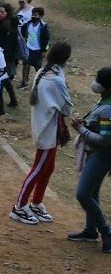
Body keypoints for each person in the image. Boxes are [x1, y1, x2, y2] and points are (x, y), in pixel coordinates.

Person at [9, 42, 73, 225]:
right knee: (38, 169)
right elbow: (67, 108)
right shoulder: (56, 80)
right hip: (47, 130)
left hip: (45, 127)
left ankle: (36, 203)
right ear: (65, 59)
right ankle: (19, 207)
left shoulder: (42, 72)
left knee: (48, 167)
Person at [68, 66, 111, 251]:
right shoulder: (104, 102)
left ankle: (106, 232)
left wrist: (81, 130)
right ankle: (90, 231)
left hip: (100, 155)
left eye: (99, 81)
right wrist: (85, 124)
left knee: (83, 194)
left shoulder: (107, 109)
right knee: (92, 193)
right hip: (97, 154)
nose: (95, 83)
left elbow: (105, 140)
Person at [0, 2, 20, 108]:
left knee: (0, 79)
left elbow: (5, 44)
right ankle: (13, 100)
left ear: (7, 13)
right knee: (5, 79)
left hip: (5, 57)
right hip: (7, 57)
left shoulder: (6, 27)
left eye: (2, 12)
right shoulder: (6, 25)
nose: (0, 14)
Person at [19, 6, 50, 89]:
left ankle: (41, 84)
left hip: (38, 50)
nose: (33, 16)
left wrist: (44, 50)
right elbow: (23, 31)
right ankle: (24, 82)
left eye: (35, 15)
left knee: (38, 68)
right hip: (28, 49)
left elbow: (47, 40)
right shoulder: (28, 24)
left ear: (40, 16)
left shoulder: (43, 27)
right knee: (26, 65)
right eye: (32, 14)